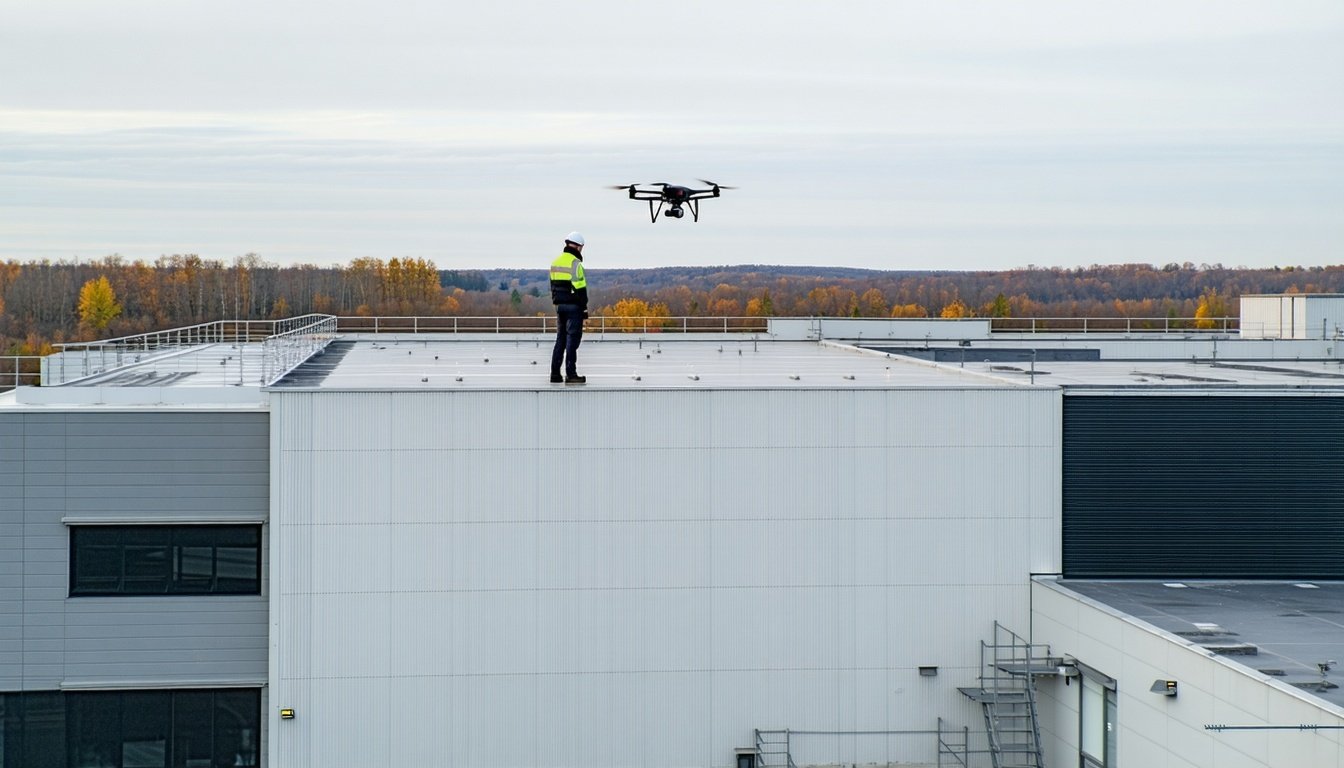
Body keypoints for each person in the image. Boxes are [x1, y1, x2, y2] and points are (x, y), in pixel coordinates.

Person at [550, 231, 588, 384]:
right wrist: (584, 308)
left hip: (559, 306)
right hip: (574, 307)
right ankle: (571, 374)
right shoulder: (576, 264)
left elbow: (553, 286)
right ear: (579, 247)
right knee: (573, 340)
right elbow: (581, 289)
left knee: (561, 339)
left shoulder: (555, 262)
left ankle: (555, 374)